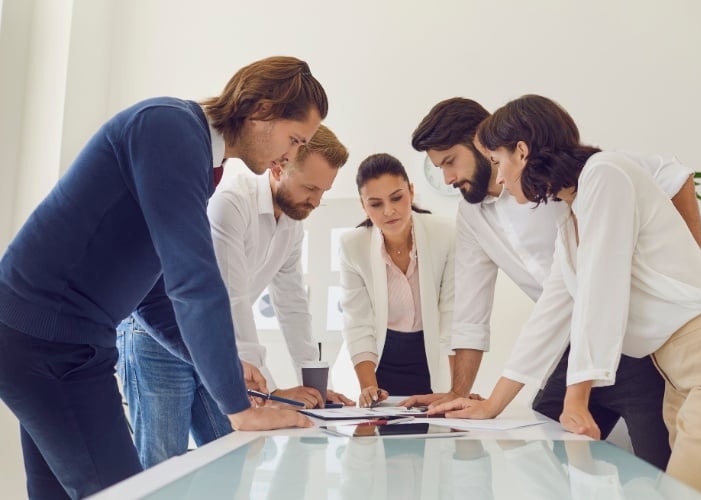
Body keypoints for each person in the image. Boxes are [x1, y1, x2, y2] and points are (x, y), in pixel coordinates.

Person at [0, 56, 324, 499]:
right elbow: (195, 281)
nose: (290, 156)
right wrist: (237, 408)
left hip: (55, 342)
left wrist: (227, 370)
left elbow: (155, 297)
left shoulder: (192, 153)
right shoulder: (169, 129)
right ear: (262, 109)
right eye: (295, 138)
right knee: (126, 493)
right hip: (50, 345)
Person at [431, 94, 701, 499]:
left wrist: (577, 398)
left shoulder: (605, 174)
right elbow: (554, 311)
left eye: (497, 162)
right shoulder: (571, 217)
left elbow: (603, 291)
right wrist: (492, 402)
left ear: (523, 152)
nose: (499, 179)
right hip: (681, 377)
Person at [117, 125, 354, 469]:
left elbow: (293, 306)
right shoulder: (231, 203)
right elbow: (233, 299)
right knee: (163, 464)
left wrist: (313, 389)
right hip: (159, 336)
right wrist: (268, 394)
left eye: (324, 191)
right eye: (310, 188)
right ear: (278, 167)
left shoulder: (292, 224)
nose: (316, 201)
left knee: (234, 454)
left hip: (212, 343)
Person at [340, 153, 455, 408]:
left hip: (430, 357)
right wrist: (368, 387)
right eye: (376, 204)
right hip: (378, 361)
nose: (389, 211)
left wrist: (457, 389)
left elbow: (451, 315)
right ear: (363, 205)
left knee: (435, 440)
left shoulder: (445, 234)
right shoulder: (352, 246)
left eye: (396, 198)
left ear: (411, 192)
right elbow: (358, 323)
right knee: (378, 440)